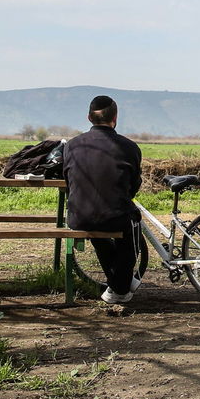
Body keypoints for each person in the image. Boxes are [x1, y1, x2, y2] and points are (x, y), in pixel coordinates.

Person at [62, 94, 143, 304]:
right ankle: (121, 286)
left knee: (97, 229)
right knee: (132, 227)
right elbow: (133, 185)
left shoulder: (71, 146)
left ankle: (118, 286)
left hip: (79, 216)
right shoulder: (129, 147)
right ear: (115, 118)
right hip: (115, 216)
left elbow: (69, 182)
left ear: (89, 118)